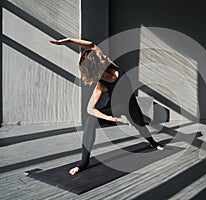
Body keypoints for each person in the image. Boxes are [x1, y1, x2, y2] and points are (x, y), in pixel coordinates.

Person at [50, 38, 164, 175]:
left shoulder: (111, 64)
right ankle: (83, 163)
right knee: (90, 121)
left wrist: (69, 41)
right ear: (97, 66)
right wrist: (110, 118)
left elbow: (92, 45)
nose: (104, 55)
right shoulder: (101, 84)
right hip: (115, 108)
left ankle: (153, 142)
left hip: (131, 105)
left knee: (139, 123)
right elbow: (90, 109)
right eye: (101, 57)